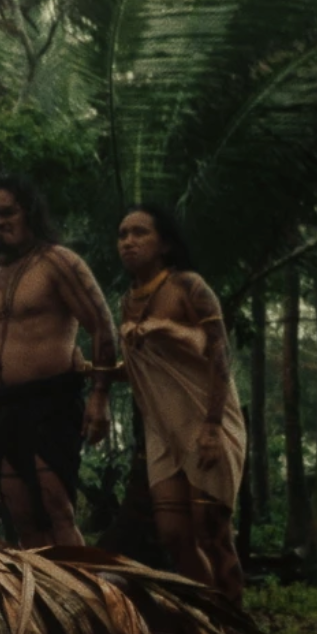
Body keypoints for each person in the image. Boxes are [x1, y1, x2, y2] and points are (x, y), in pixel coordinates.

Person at [0, 175, 117, 547]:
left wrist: (99, 397)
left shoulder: (58, 263)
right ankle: (46, 603)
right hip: (6, 408)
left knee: (58, 511)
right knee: (22, 519)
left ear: (29, 213)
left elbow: (102, 326)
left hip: (53, 401)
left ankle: (81, 603)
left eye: (8, 212)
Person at [116, 204, 246, 609]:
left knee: (214, 535)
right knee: (173, 535)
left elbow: (218, 352)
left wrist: (211, 428)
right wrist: (93, 372)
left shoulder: (189, 286)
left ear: (166, 243)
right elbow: (148, 368)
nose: (129, 242)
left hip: (205, 421)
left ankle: (236, 633)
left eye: (140, 233)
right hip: (164, 433)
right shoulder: (127, 301)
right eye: (122, 234)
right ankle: (208, 620)